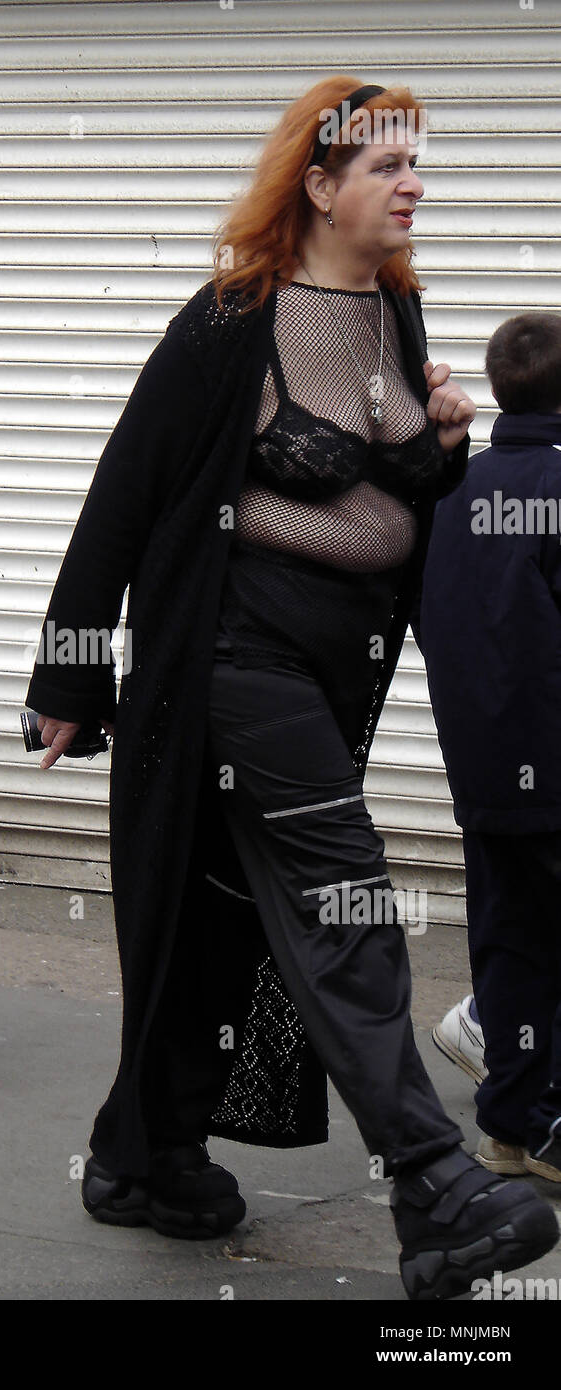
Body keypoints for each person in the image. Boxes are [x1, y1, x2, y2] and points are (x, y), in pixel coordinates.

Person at [24, 77, 559, 1299]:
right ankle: (434, 1184)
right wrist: (69, 667)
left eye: (415, 165)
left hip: (333, 668)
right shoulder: (232, 319)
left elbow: (394, 495)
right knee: (343, 898)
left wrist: (446, 447)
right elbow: (123, 491)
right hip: (230, 653)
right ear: (316, 185)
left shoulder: (399, 317)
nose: (411, 183)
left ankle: (140, 1156)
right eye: (384, 166)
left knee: (218, 915)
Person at [419, 312, 561, 1183]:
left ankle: (511, 1127)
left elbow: (435, 621)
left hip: (482, 767)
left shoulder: (453, 491)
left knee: (509, 939)